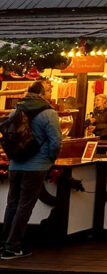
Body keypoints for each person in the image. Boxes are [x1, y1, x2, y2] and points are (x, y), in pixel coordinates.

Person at [2, 81, 62, 259]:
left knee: (12, 203)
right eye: (49, 90)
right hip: (36, 165)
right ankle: (13, 246)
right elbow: (55, 141)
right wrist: (50, 158)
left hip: (16, 163)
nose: (51, 92)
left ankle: (5, 241)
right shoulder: (48, 113)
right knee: (25, 205)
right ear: (42, 93)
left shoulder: (16, 110)